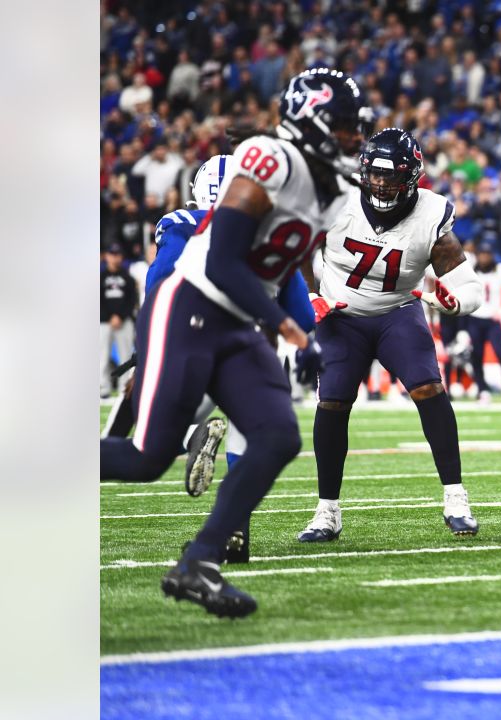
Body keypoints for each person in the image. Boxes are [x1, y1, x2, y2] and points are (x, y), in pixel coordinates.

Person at [100, 68, 371, 618]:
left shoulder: (336, 188)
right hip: (192, 307)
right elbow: (223, 261)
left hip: (238, 323)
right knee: (145, 458)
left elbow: (286, 268)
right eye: (343, 125)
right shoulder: (268, 159)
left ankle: (199, 562)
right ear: (313, 120)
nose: (353, 137)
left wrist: (311, 327)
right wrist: (292, 330)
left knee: (277, 437)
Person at [298, 127, 483, 544]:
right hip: (339, 312)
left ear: (413, 176)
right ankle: (327, 510)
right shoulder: (337, 200)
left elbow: (470, 286)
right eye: (375, 174)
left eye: (391, 175)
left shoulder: (431, 214)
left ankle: (456, 498)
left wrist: (457, 302)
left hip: (397, 310)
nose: (381, 183)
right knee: (332, 402)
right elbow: (300, 250)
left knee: (429, 390)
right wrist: (308, 296)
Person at [468, 242, 501, 404]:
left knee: (500, 354)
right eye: (481, 254)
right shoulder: (470, 271)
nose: (484, 257)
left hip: (493, 319)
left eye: (487, 254)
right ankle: (482, 390)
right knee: (476, 356)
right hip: (475, 318)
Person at [100, 244, 138, 398]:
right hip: (104, 321)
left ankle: (125, 387)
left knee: (126, 356)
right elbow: (98, 299)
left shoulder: (128, 278)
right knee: (102, 355)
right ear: (106, 256)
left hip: (124, 321)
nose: (114, 257)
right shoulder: (100, 278)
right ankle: (103, 387)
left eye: (117, 254)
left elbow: (132, 300)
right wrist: (110, 316)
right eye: (112, 254)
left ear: (121, 257)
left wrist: (120, 316)